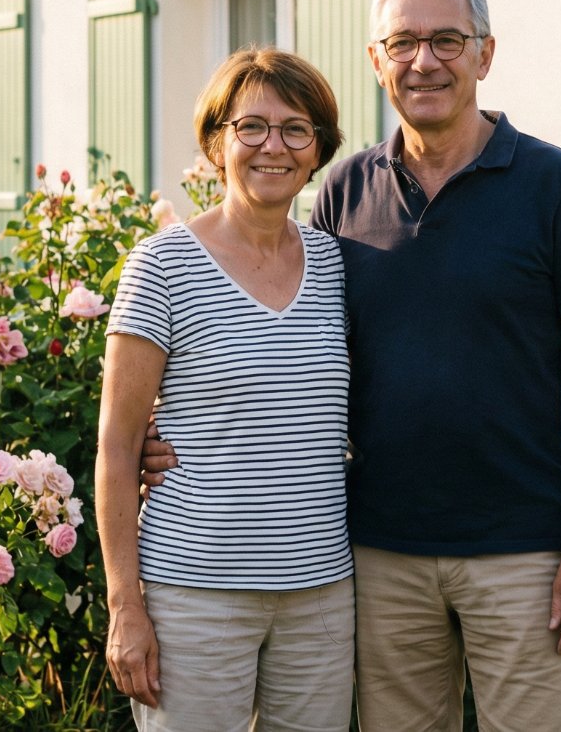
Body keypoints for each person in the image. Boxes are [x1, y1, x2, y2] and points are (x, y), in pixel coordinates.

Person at [148, 0, 561, 731]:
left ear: (485, 54)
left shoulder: (555, 186)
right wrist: (165, 433)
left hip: (522, 550)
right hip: (377, 553)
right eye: (402, 42)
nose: (424, 61)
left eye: (446, 40)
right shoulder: (343, 190)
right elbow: (287, 344)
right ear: (376, 60)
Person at [97, 48, 352, 732]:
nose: (275, 146)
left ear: (318, 149)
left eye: (296, 129)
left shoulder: (335, 264)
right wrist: (126, 606)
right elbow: (118, 448)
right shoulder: (162, 267)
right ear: (217, 142)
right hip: (194, 595)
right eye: (252, 127)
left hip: (321, 592)